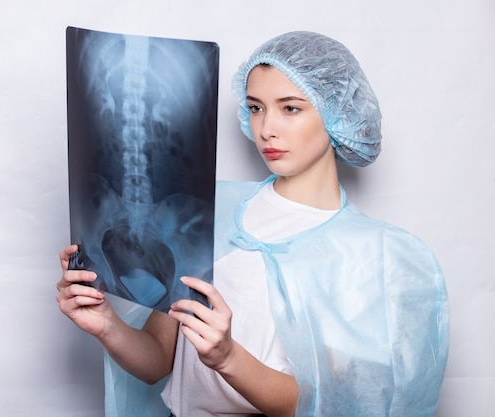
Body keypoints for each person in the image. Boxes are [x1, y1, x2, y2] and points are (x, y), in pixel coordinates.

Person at [56, 31, 449, 417]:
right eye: (256, 107)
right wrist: (106, 324)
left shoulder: (368, 255)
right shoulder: (209, 210)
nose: (266, 129)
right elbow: (159, 360)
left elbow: (328, 405)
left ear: (337, 113)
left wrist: (227, 357)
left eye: (290, 108)